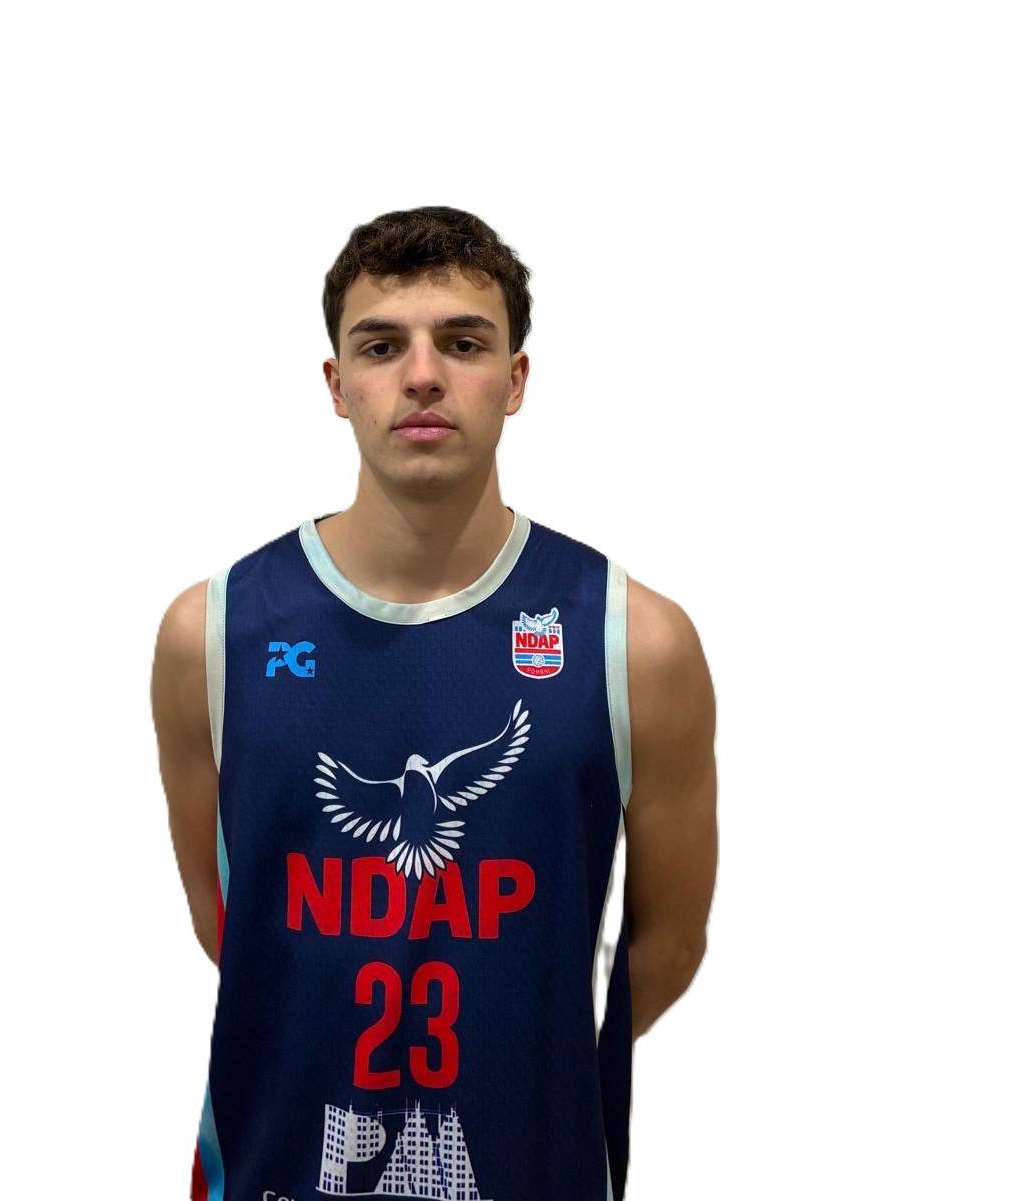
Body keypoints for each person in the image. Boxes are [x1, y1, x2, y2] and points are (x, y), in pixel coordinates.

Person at [150, 205, 718, 1201]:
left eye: (462, 343)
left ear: (516, 379)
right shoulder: (215, 632)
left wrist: (525, 1037)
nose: (422, 376)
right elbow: (231, 921)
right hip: (277, 1169)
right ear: (337, 384)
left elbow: (666, 944)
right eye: (382, 346)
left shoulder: (635, 641)